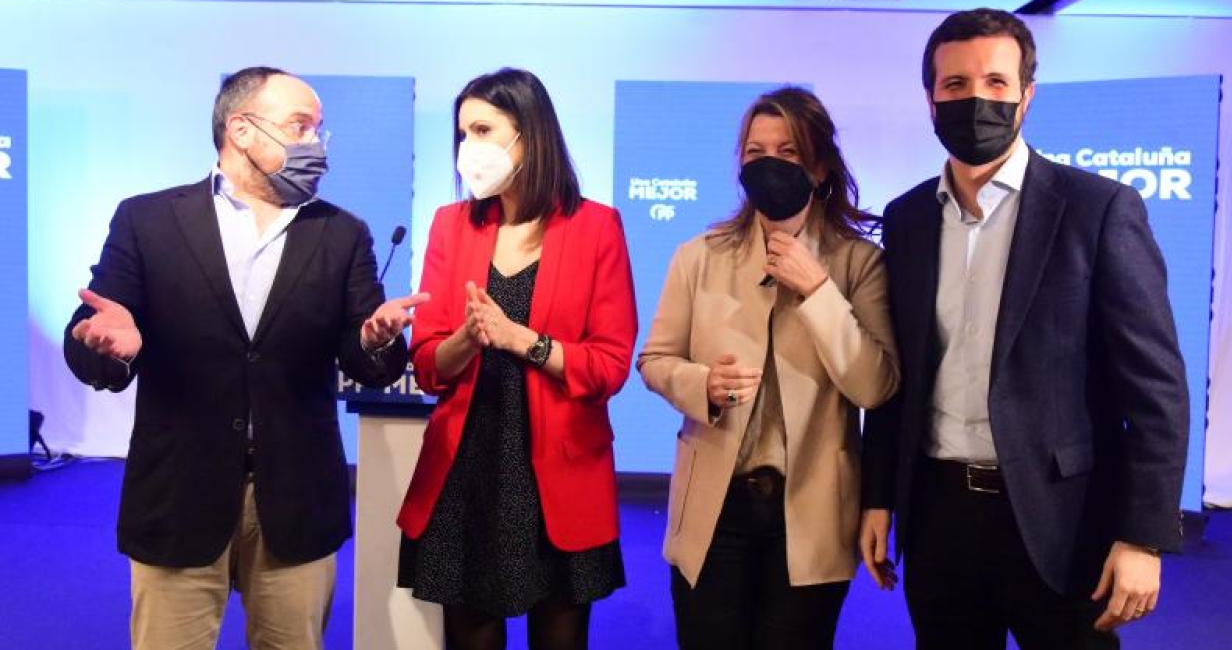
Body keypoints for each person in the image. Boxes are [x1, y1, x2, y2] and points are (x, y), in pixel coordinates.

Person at [859, 8, 1190, 649]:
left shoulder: (1098, 209)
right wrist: (879, 497)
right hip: (938, 517)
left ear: (1026, 95)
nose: (975, 99)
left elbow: (1157, 391)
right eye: (955, 84)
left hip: (1064, 520)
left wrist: (1143, 535)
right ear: (930, 99)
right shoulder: (907, 218)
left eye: (995, 82)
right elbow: (900, 377)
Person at [64, 66, 424, 649]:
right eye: (300, 126)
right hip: (178, 493)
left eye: (319, 129)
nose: (316, 144)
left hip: (297, 497)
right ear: (241, 130)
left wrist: (376, 339)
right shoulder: (147, 220)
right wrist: (111, 345)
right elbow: (91, 331)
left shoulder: (342, 233)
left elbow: (366, 362)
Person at [637, 87, 899, 649]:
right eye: (755, 152)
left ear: (820, 167)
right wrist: (701, 384)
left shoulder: (860, 262)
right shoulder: (699, 256)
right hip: (714, 509)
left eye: (788, 152)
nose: (768, 165)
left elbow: (875, 387)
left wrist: (819, 290)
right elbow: (655, 360)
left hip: (810, 511)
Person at [396, 68, 637, 650]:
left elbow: (608, 366)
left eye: (483, 130)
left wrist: (521, 339)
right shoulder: (451, 225)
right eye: (462, 134)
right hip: (467, 473)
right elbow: (428, 364)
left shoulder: (595, 226)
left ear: (529, 134)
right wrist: (468, 338)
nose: (468, 148)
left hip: (558, 476)